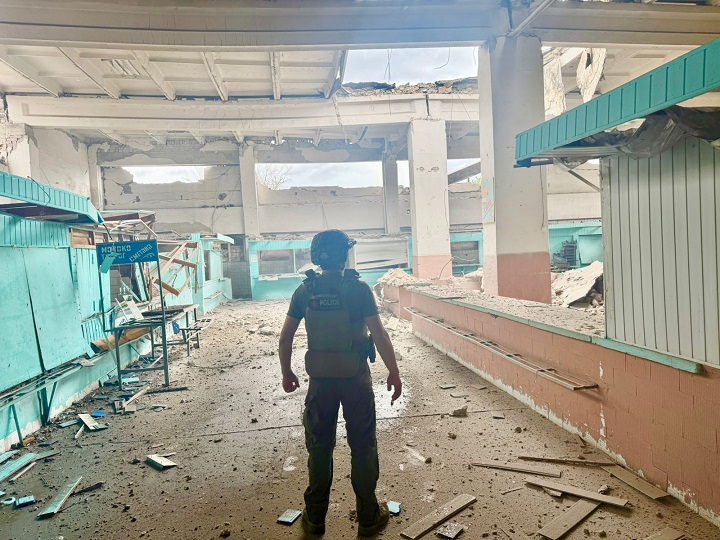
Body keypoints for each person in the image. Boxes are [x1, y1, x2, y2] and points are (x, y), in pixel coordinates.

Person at [278, 229, 402, 537]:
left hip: (320, 382)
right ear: (344, 256)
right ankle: (368, 517)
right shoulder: (358, 289)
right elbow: (379, 334)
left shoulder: (305, 290)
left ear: (316, 256)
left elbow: (286, 337)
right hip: (355, 379)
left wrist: (287, 372)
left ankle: (315, 519)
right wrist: (393, 371)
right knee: (362, 445)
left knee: (319, 448)